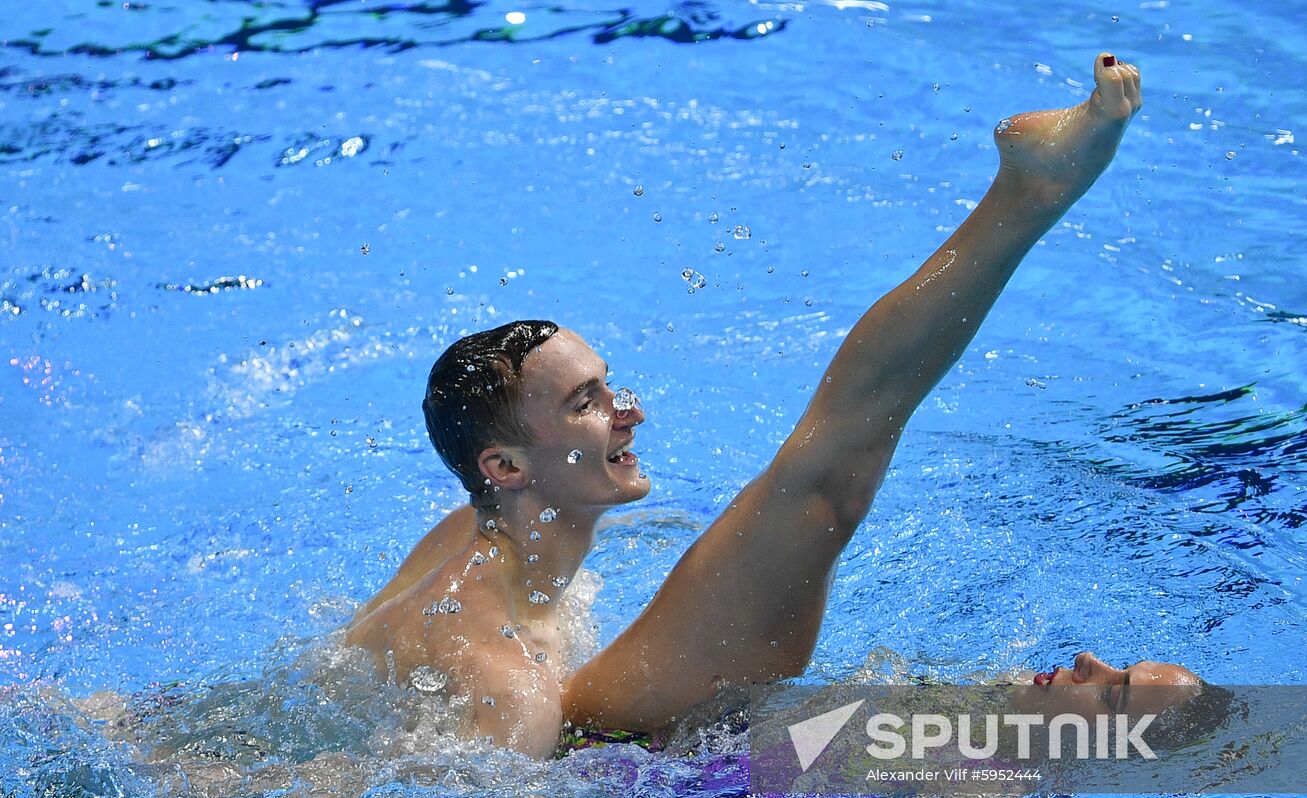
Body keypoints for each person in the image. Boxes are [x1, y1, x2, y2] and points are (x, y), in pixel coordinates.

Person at [346, 53, 1191, 759]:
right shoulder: (509, 686)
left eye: (611, 383)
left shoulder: (471, 533)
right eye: (587, 403)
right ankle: (1028, 196)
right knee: (825, 481)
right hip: (615, 747)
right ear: (506, 466)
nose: (630, 411)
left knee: (827, 477)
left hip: (608, 719)